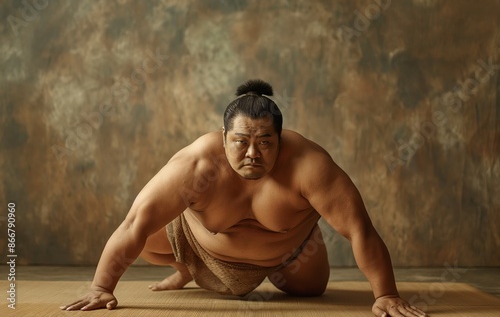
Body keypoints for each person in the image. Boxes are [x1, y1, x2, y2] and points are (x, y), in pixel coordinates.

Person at [61, 80, 427, 317]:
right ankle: (186, 270)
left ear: (280, 140)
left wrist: (386, 295)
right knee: (145, 242)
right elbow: (134, 222)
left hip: (287, 252)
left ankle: (304, 238)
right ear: (223, 138)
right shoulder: (196, 165)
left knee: (310, 292)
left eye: (265, 142)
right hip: (199, 242)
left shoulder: (310, 166)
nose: (253, 153)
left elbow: (360, 229)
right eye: (241, 142)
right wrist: (101, 288)